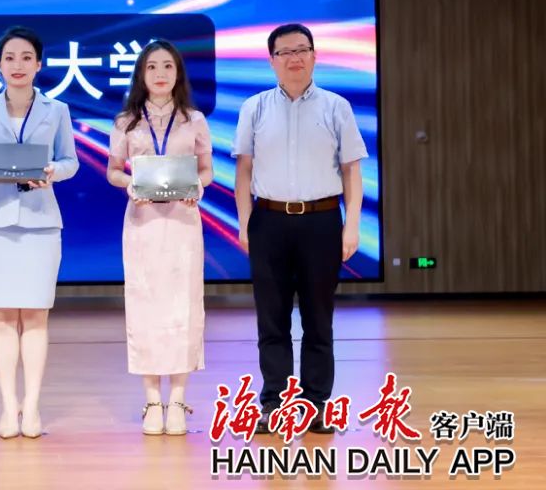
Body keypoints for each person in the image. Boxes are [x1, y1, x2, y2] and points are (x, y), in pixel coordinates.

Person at [232, 23, 367, 433]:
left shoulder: (336, 107)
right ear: (271, 60)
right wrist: (245, 224)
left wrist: (352, 226)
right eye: (285, 52)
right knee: (271, 319)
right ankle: (273, 404)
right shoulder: (254, 107)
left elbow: (351, 171)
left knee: (318, 318)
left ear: (314, 55)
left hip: (321, 221)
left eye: (302, 49)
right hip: (269, 221)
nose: (294, 58)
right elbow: (243, 171)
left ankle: (315, 405)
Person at [0, 26, 79, 439]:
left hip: (40, 221)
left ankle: (31, 407)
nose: (17, 65)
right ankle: (7, 406)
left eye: (26, 57)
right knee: (0, 318)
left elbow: (70, 161)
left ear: (39, 64)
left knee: (35, 317)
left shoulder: (56, 109)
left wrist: (52, 171)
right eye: (9, 58)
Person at [105, 39, 213, 435]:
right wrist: (130, 184)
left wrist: (197, 188)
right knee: (146, 306)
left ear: (178, 72)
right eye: (152, 67)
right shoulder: (126, 122)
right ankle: (152, 399)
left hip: (183, 224)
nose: (161, 73)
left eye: (168, 65)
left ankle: (178, 399)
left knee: (184, 307)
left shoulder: (194, 120)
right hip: (144, 223)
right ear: (141, 74)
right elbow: (113, 170)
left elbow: (206, 170)